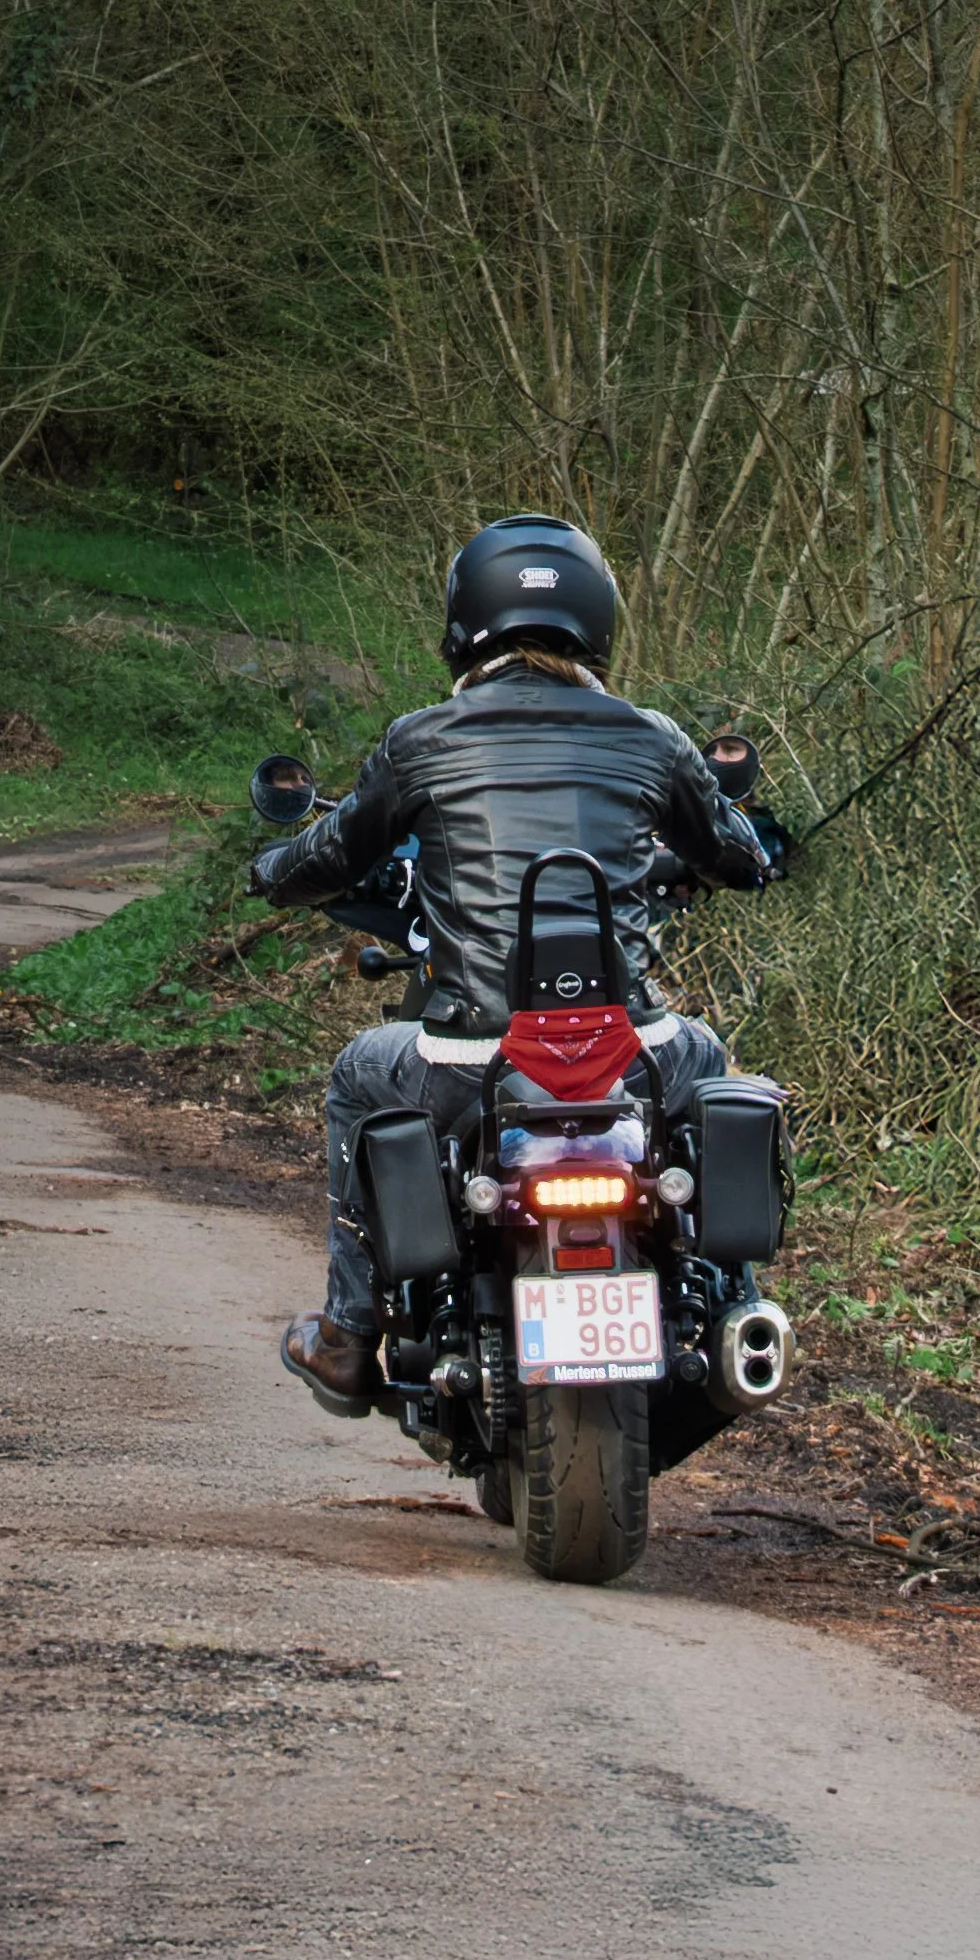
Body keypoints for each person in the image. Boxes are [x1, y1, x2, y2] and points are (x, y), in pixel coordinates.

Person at [254, 513, 776, 1412]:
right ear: (598, 621)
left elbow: (330, 857)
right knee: (708, 1059)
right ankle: (735, 1303)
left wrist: (271, 870)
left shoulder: (422, 739)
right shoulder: (650, 736)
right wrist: (716, 854)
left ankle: (347, 1335)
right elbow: (736, 855)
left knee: (356, 1076)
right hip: (634, 1054)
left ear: (464, 624)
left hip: (469, 1064)